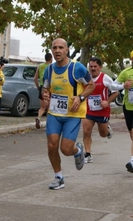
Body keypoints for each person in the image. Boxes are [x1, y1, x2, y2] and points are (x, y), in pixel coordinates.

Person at [42, 38, 95, 190]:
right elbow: (45, 89)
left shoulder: (76, 68)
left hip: (72, 114)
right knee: (52, 145)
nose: (57, 50)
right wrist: (45, 95)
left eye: (61, 48)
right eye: (54, 48)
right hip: (54, 113)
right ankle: (58, 177)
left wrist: (80, 97)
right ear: (51, 50)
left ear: (67, 50)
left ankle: (77, 150)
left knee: (66, 149)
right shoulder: (49, 70)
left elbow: (91, 85)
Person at [83, 57, 119, 163]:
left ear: (100, 67)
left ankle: (107, 130)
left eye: (95, 66)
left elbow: (116, 92)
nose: (93, 69)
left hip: (102, 110)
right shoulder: (86, 78)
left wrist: (107, 102)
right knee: (86, 131)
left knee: (103, 134)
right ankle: (88, 154)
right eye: (91, 66)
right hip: (89, 110)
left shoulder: (105, 78)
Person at [33, 52, 52, 129]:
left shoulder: (40, 66)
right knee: (49, 108)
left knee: (42, 107)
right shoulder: (52, 67)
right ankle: (48, 125)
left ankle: (39, 118)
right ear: (51, 59)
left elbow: (35, 79)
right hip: (49, 88)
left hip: (41, 87)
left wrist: (38, 87)